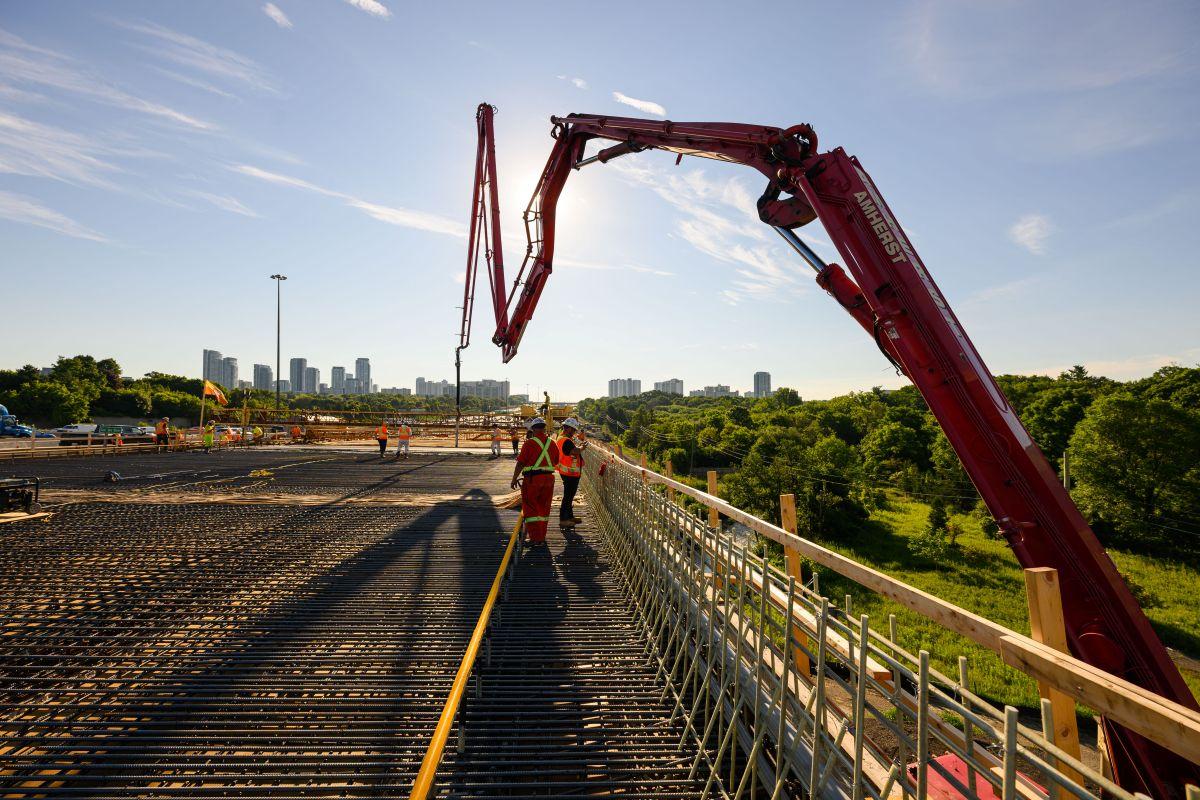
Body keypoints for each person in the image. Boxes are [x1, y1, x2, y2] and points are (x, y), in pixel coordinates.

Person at [511, 417, 559, 545]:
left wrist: (514, 479)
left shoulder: (529, 443)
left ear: (532, 429)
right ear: (544, 428)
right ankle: (541, 537)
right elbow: (556, 461)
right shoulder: (552, 443)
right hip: (549, 479)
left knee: (530, 507)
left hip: (533, 480)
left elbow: (520, 463)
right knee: (544, 507)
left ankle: (535, 538)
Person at [556, 417, 586, 527]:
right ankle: (563, 519)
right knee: (568, 496)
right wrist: (582, 447)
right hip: (570, 473)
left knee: (570, 496)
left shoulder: (562, 438)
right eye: (573, 430)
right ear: (568, 428)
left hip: (568, 472)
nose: (574, 432)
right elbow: (574, 451)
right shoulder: (566, 440)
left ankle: (569, 516)